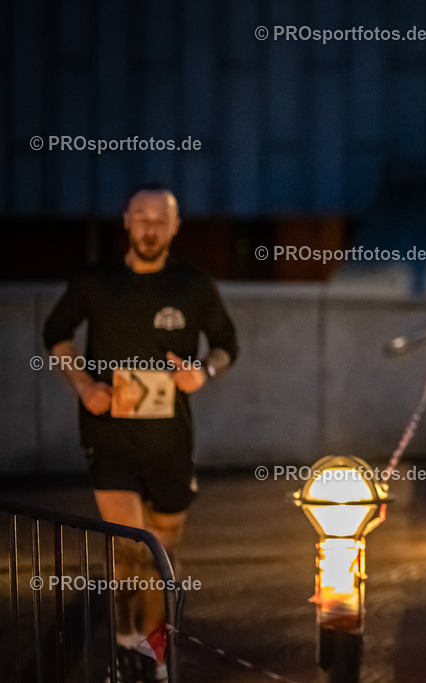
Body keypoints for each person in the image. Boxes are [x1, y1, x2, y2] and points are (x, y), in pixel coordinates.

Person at [43, 183, 238, 681]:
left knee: (164, 547)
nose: (150, 227)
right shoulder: (96, 280)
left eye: (161, 219)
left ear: (175, 227)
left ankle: (155, 643)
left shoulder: (193, 284)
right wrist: (85, 385)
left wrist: (203, 372)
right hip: (109, 434)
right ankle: (134, 653)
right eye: (142, 216)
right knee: (132, 544)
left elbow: (225, 345)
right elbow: (56, 333)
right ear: (125, 220)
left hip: (171, 438)